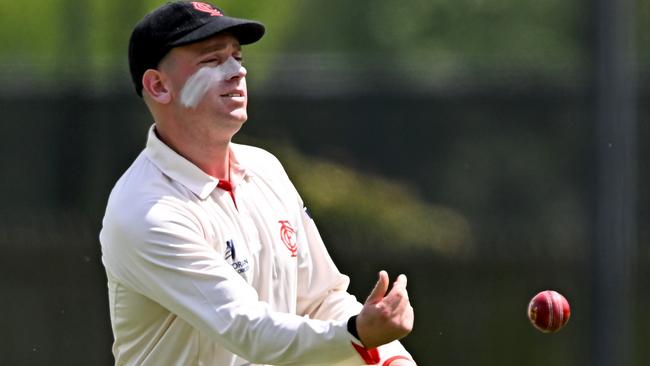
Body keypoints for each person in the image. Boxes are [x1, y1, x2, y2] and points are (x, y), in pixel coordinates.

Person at [99, 2, 416, 365]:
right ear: (158, 86)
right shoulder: (147, 211)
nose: (237, 71)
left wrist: (390, 358)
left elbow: (320, 300)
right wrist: (358, 335)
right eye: (212, 60)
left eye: (237, 56)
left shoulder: (265, 169)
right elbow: (248, 331)